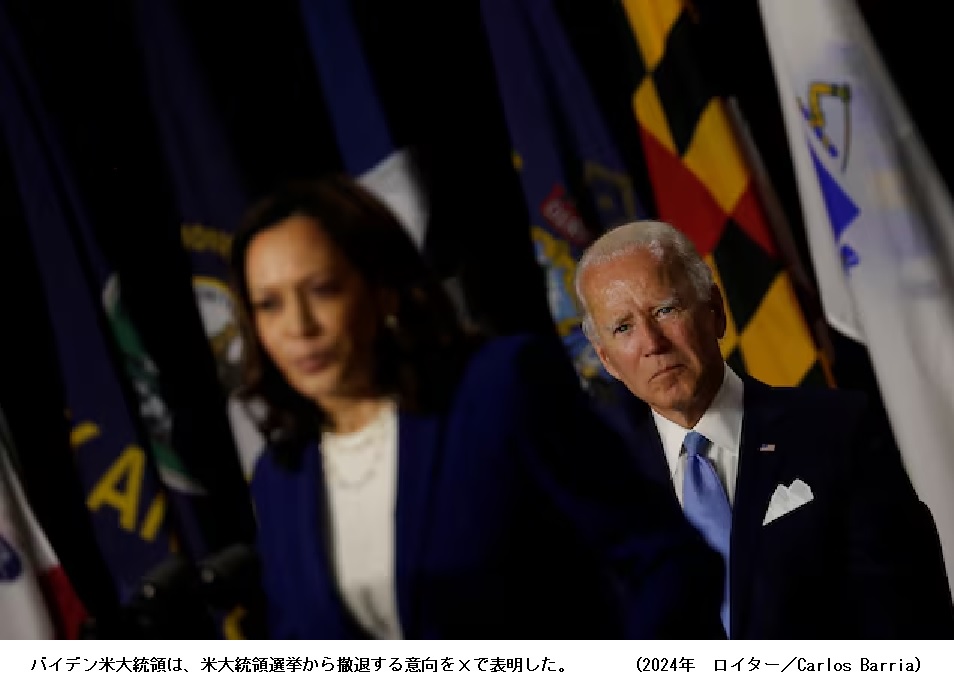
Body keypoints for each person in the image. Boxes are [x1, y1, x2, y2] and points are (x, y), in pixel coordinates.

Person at [229, 176, 723, 640]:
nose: (298, 326)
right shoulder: (281, 477)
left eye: (321, 290)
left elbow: (669, 562)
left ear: (382, 291)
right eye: (269, 304)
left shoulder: (498, 391)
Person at [575, 219, 954, 639]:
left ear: (715, 311)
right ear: (606, 360)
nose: (652, 343)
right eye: (623, 327)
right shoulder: (603, 491)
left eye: (665, 310)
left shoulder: (838, 430)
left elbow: (910, 619)